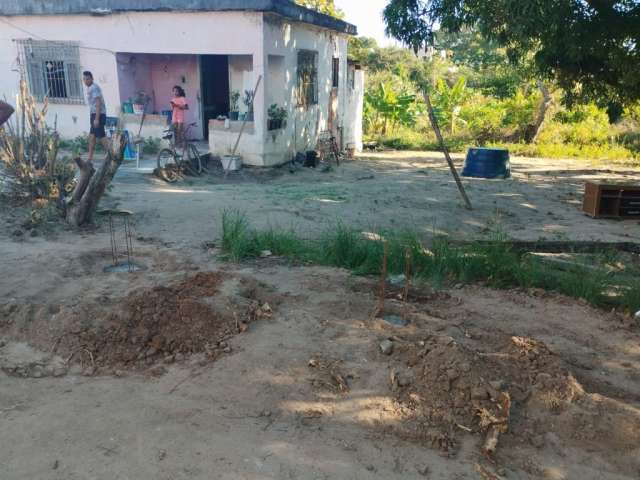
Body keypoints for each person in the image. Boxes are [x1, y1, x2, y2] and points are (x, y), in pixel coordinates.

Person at [83, 71, 108, 165]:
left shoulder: (94, 88)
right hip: (93, 114)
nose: (86, 81)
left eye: (87, 79)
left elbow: (98, 104)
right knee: (92, 136)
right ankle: (89, 158)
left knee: (101, 136)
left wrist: (97, 118)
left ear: (92, 78)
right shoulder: (90, 88)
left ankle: (112, 155)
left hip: (99, 114)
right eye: (84, 79)